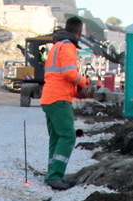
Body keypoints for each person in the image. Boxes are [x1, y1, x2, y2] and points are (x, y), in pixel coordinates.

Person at [41, 16, 89, 190]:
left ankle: (52, 174)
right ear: (79, 32)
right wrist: (84, 82)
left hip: (50, 97)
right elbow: (69, 73)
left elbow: (58, 76)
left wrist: (76, 91)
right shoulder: (68, 46)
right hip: (59, 98)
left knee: (56, 137)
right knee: (68, 136)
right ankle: (55, 176)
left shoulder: (56, 46)